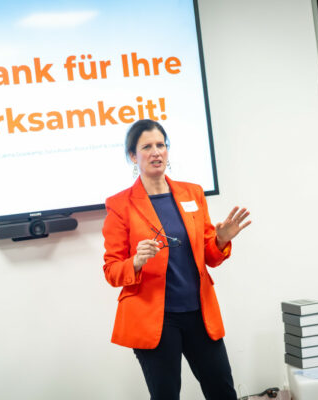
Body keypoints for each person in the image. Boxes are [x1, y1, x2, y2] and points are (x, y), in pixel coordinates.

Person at [102, 119, 251, 400]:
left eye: (161, 145)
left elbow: (209, 256)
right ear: (133, 156)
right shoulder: (120, 204)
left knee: (223, 392)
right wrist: (136, 261)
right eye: (147, 147)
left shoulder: (192, 193)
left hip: (199, 313)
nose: (156, 152)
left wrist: (221, 239)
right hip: (156, 320)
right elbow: (112, 270)